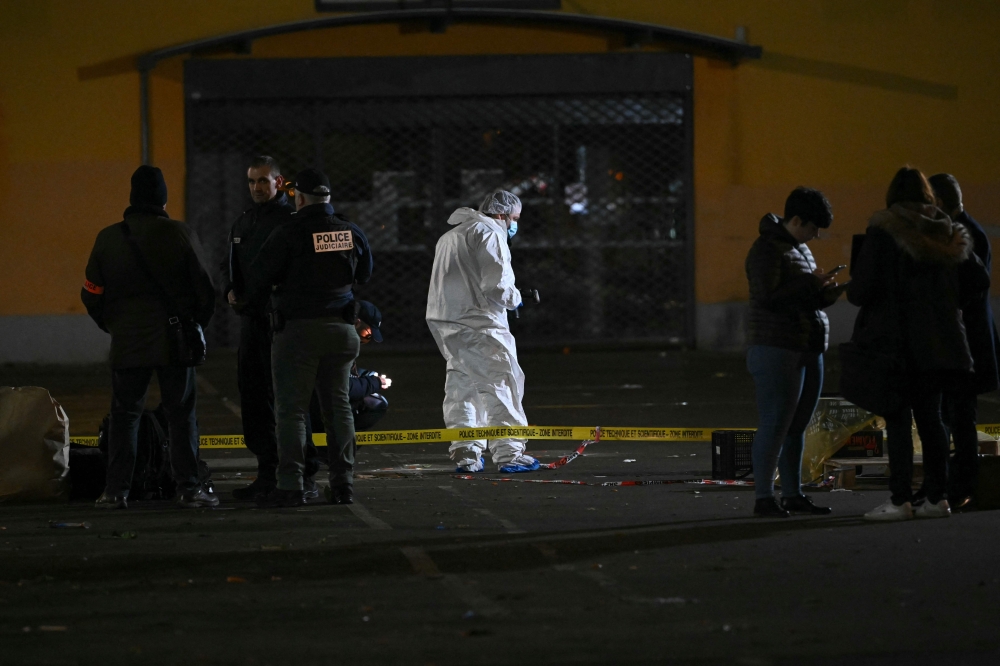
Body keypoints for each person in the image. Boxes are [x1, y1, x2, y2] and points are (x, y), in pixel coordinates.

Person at [850, 167, 989, 521]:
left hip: (897, 342)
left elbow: (862, 290)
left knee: (898, 419)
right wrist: (948, 301)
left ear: (892, 197)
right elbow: (978, 278)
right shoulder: (946, 231)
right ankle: (937, 499)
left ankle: (900, 501)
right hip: (940, 342)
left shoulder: (884, 232)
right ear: (929, 196)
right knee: (932, 420)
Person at [81, 165, 218, 509]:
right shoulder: (179, 234)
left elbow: (91, 293)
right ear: (163, 198)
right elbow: (206, 291)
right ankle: (188, 488)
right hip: (174, 342)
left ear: (131, 197)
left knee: (125, 415)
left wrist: (113, 325)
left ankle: (115, 491)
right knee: (180, 414)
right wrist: (193, 323)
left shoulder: (108, 238)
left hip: (127, 341)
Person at [243, 168, 373, 507]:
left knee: (292, 411)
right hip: (342, 331)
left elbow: (258, 276)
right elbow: (366, 273)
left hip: (298, 332)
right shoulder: (350, 230)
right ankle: (343, 483)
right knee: (339, 408)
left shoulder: (289, 231)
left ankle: (291, 484)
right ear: (328, 197)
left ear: (298, 198)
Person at [223, 156, 321, 501]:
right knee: (254, 396)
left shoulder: (292, 222)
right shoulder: (244, 222)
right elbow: (230, 267)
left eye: (263, 181)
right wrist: (230, 290)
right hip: (252, 323)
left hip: (283, 323)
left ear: (280, 183)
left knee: (290, 400)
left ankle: (302, 472)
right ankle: (268, 471)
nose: (256, 188)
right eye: (251, 182)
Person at [744, 187, 843, 518]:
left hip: (806, 344)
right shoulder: (765, 250)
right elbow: (768, 297)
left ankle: (792, 494)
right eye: (813, 228)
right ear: (796, 219)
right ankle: (763, 497)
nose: (815, 236)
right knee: (775, 422)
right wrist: (812, 285)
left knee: (797, 425)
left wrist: (826, 291)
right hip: (776, 345)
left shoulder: (800, 249)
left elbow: (802, 296)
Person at [426, 189, 538, 474]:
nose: (514, 224)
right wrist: (517, 298)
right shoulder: (489, 233)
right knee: (501, 382)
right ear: (501, 214)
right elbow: (496, 286)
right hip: (479, 322)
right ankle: (509, 453)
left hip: (445, 319)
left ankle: (466, 451)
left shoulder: (449, 236)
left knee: (462, 384)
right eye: (514, 218)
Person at [928, 173, 998, 510]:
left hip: (963, 344)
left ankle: (961, 487)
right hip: (964, 342)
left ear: (939, 202)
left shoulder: (965, 234)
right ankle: (955, 486)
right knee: (956, 415)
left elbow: (967, 291)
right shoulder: (972, 231)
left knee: (959, 417)